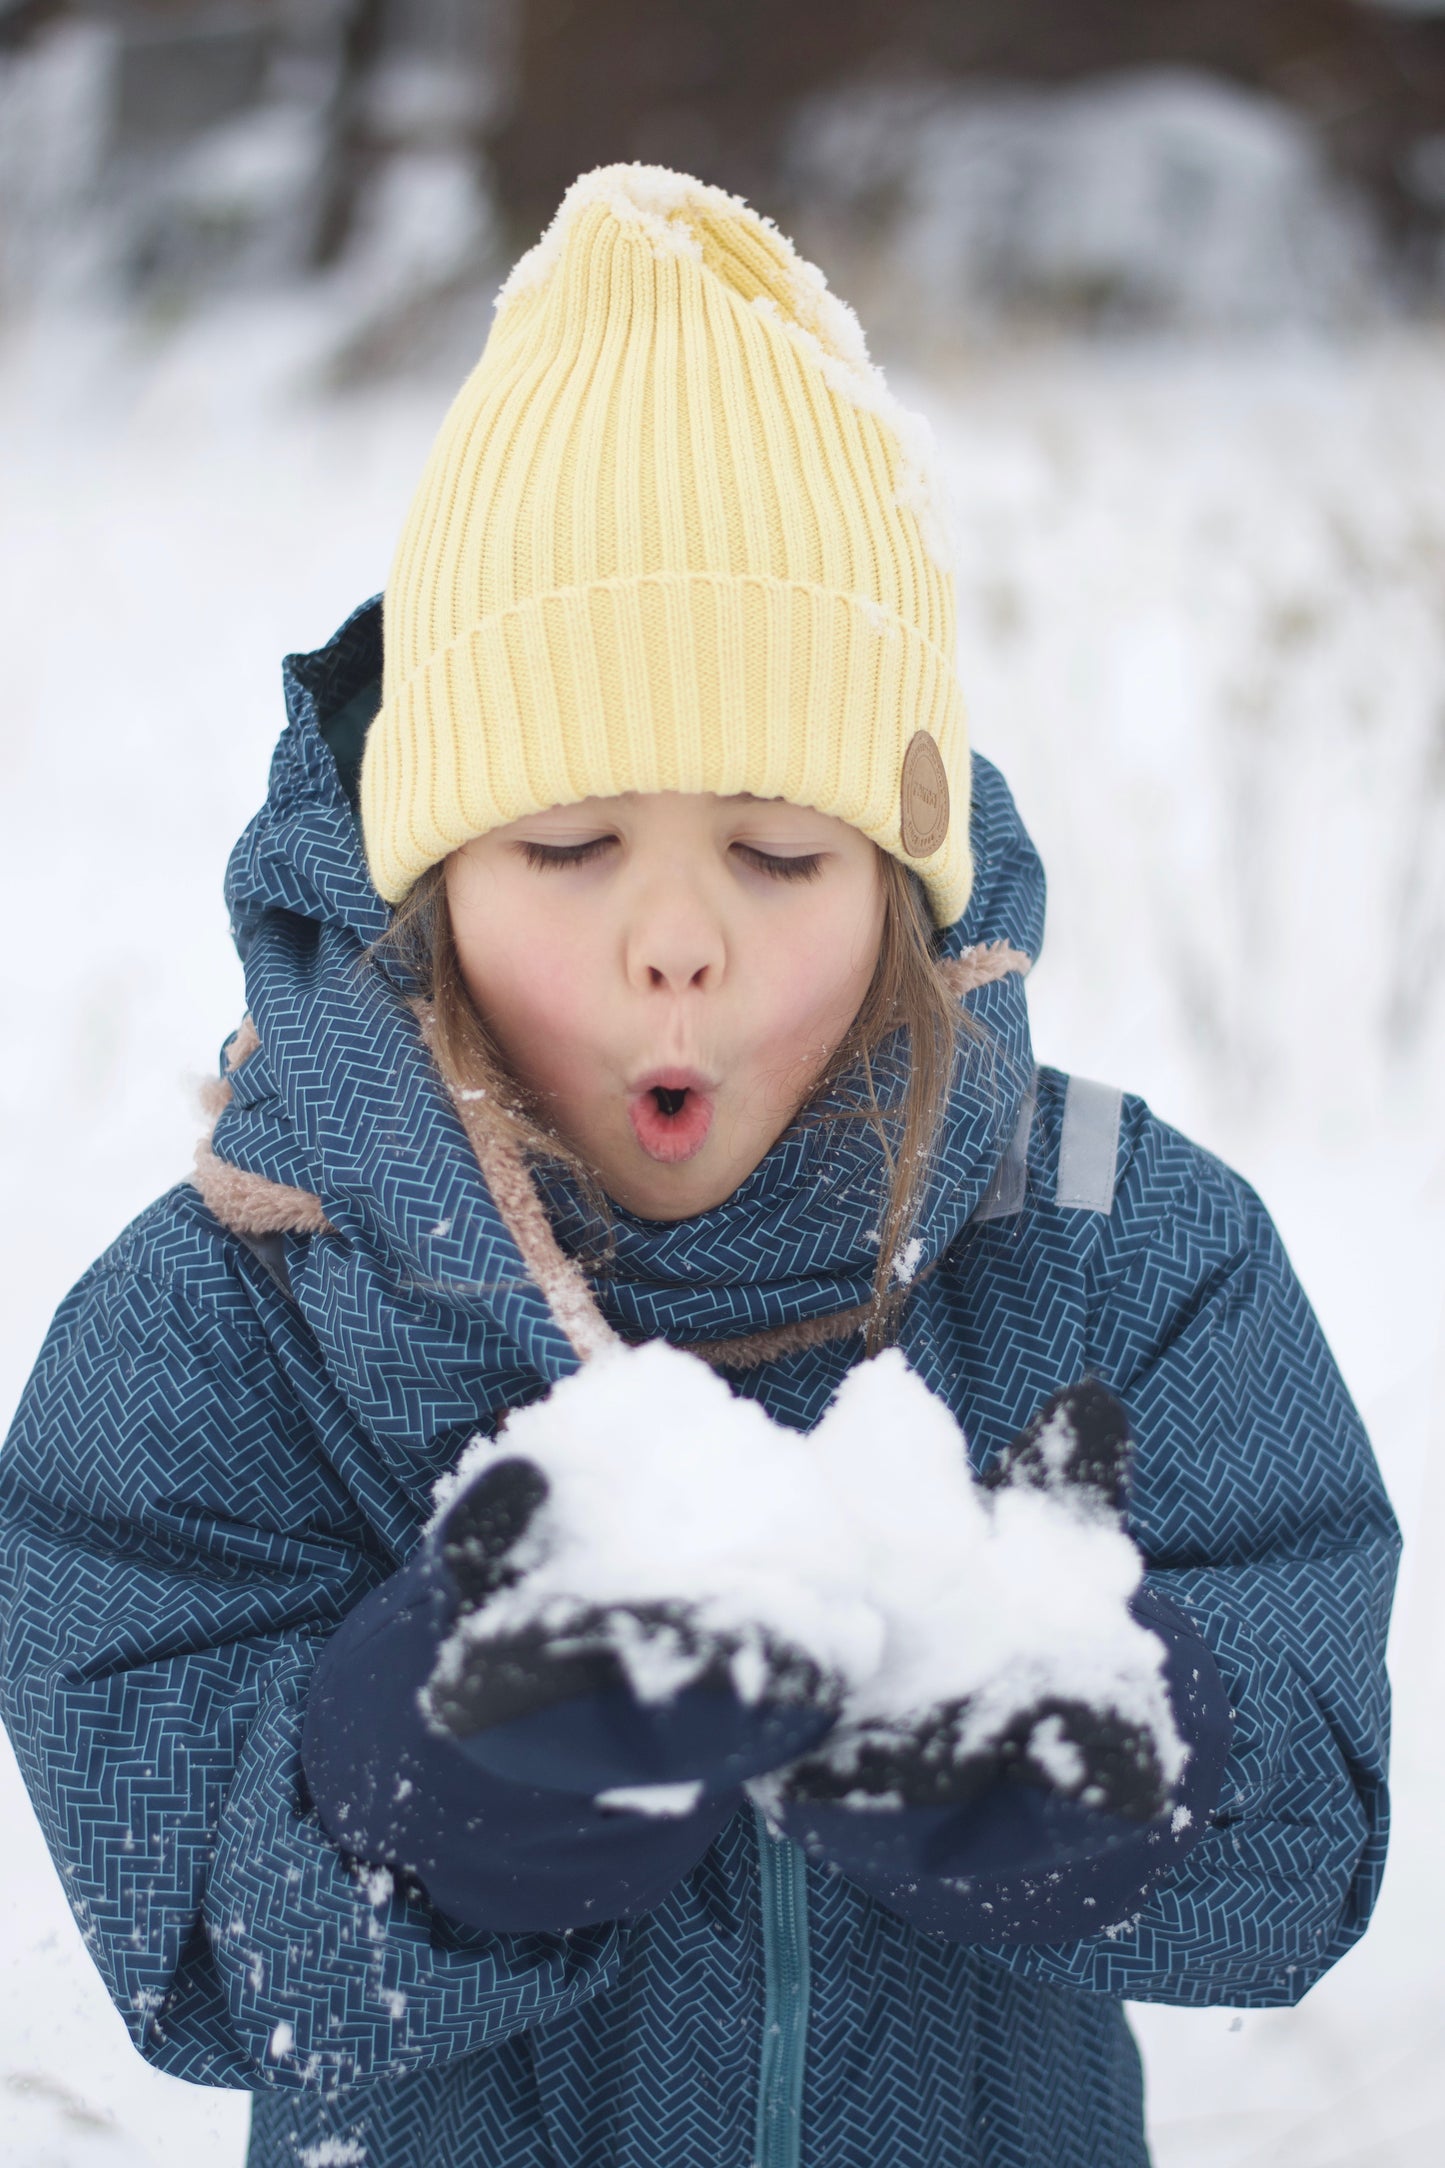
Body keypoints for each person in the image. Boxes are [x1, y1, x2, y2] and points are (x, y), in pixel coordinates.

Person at [0, 165, 1398, 2168]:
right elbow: (192, 1930)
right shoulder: (232, 1314)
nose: (679, 938)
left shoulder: (1117, 1254)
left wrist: (1114, 1771)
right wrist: (438, 1802)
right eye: (570, 846)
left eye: (778, 851)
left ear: (909, 881)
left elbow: (1310, 1841)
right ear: (430, 875)